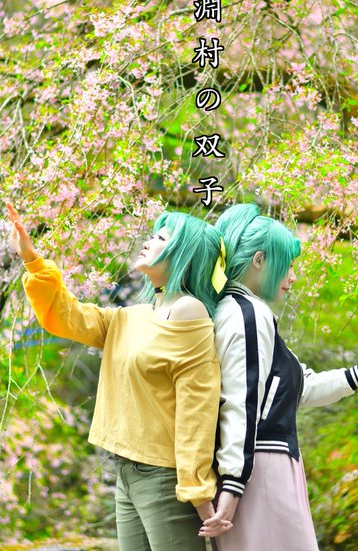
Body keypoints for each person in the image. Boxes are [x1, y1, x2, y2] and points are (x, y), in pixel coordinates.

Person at [199, 203, 358, 551]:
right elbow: (240, 403)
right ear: (259, 261)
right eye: (287, 265)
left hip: (259, 470)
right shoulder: (249, 314)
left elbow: (299, 388)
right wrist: (233, 486)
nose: (292, 277)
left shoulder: (238, 311)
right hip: (260, 473)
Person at [6, 201, 231, 551]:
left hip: (164, 478)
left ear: (183, 254)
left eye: (161, 238)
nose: (148, 241)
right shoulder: (133, 316)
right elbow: (68, 316)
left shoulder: (189, 310)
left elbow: (196, 408)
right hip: (126, 471)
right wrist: (32, 259)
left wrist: (199, 494)